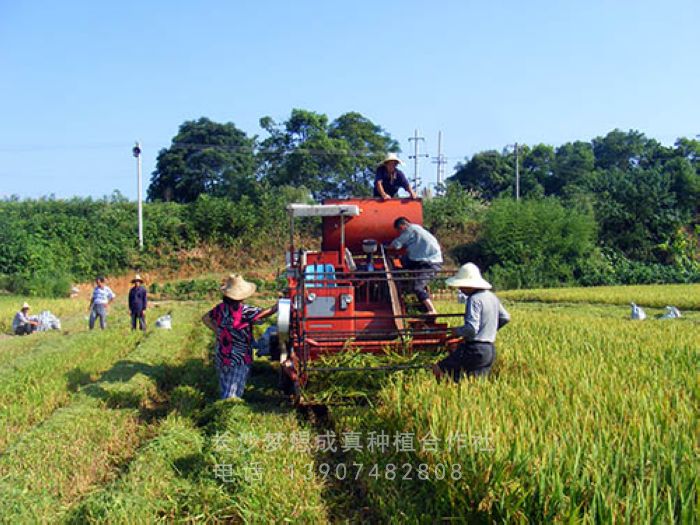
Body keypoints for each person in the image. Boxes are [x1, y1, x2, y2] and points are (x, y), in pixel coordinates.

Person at [202, 274, 278, 401]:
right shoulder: (244, 311)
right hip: (239, 357)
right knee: (234, 389)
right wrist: (278, 306)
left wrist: (218, 331)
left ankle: (225, 405)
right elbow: (264, 314)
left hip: (222, 354)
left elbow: (205, 318)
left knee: (225, 384)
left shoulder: (221, 308)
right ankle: (228, 410)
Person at [433, 263, 510, 381]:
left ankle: (446, 395)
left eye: (462, 285)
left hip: (474, 349)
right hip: (489, 350)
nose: (460, 289)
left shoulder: (474, 299)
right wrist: (488, 329)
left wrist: (456, 331)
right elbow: (505, 317)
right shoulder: (492, 297)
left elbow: (471, 329)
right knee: (475, 384)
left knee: (439, 369)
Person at [387, 216, 442, 316]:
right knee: (404, 260)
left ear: (403, 226)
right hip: (424, 260)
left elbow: (396, 244)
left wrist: (384, 247)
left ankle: (432, 310)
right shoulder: (418, 229)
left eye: (399, 230)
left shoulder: (410, 229)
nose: (400, 233)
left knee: (418, 287)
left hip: (429, 263)